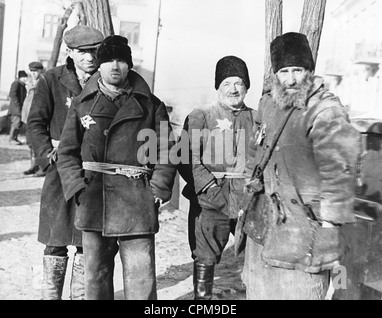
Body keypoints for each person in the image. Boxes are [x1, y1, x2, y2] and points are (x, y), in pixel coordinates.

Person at [242, 32, 360, 300]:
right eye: (284, 71)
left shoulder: (325, 110)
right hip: (263, 228)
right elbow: (254, 156)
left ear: (310, 70)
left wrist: (330, 229)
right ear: (275, 75)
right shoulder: (268, 104)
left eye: (298, 69)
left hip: (303, 234)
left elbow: (340, 173)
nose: (292, 79)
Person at [57, 35, 176, 300]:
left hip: (137, 201)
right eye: (108, 59)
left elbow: (167, 151)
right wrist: (78, 188)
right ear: (98, 65)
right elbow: (67, 152)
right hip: (94, 200)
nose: (115, 66)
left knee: (140, 276)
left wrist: (157, 189)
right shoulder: (81, 104)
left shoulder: (151, 105)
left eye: (121, 60)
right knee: (96, 277)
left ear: (129, 65)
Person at [26, 25, 104, 300]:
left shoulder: (107, 80)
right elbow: (35, 124)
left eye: (94, 51)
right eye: (83, 52)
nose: (89, 58)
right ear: (70, 52)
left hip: (93, 175)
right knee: (55, 241)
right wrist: (47, 157)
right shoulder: (52, 79)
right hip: (59, 171)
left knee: (88, 243)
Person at [180, 56, 256, 300]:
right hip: (210, 199)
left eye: (239, 83)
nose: (233, 89)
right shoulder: (200, 116)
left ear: (246, 87)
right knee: (205, 255)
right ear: (217, 87)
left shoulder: (257, 118)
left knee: (256, 254)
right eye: (227, 83)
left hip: (248, 199)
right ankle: (202, 301)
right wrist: (208, 188)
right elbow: (186, 158)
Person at [22, 61, 45, 176]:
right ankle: (34, 165)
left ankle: (42, 166)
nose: (33, 74)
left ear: (41, 71)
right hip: (28, 116)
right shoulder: (30, 83)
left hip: (38, 116)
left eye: (35, 71)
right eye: (31, 71)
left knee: (39, 142)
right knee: (30, 142)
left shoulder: (43, 82)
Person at [8, 70, 28, 145]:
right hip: (15, 108)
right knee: (15, 123)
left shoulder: (22, 85)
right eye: (24, 77)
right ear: (20, 77)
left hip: (19, 108)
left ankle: (15, 138)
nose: (25, 79)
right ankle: (11, 139)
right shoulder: (16, 83)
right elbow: (13, 94)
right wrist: (17, 104)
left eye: (26, 77)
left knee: (19, 124)